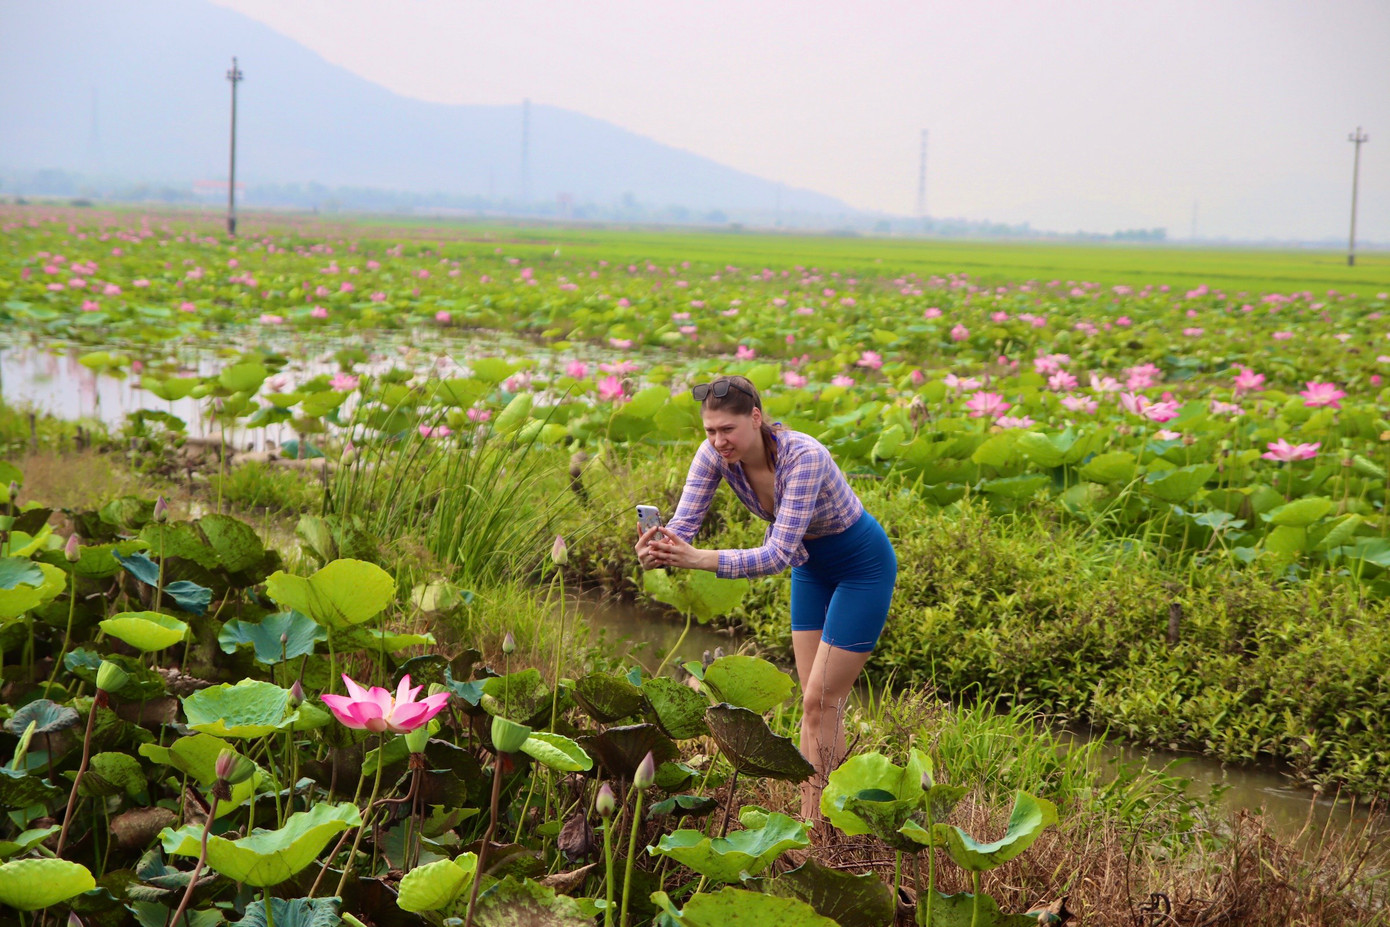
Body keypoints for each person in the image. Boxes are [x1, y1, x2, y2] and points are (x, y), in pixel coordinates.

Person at [636, 374, 898, 822]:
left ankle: (824, 825)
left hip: (861, 567)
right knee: (814, 705)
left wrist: (697, 559)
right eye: (710, 431)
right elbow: (683, 526)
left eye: (728, 429)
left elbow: (776, 555)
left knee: (821, 700)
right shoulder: (714, 455)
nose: (718, 441)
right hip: (809, 566)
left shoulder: (804, 456)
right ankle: (815, 821)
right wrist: (657, 547)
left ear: (755, 418)